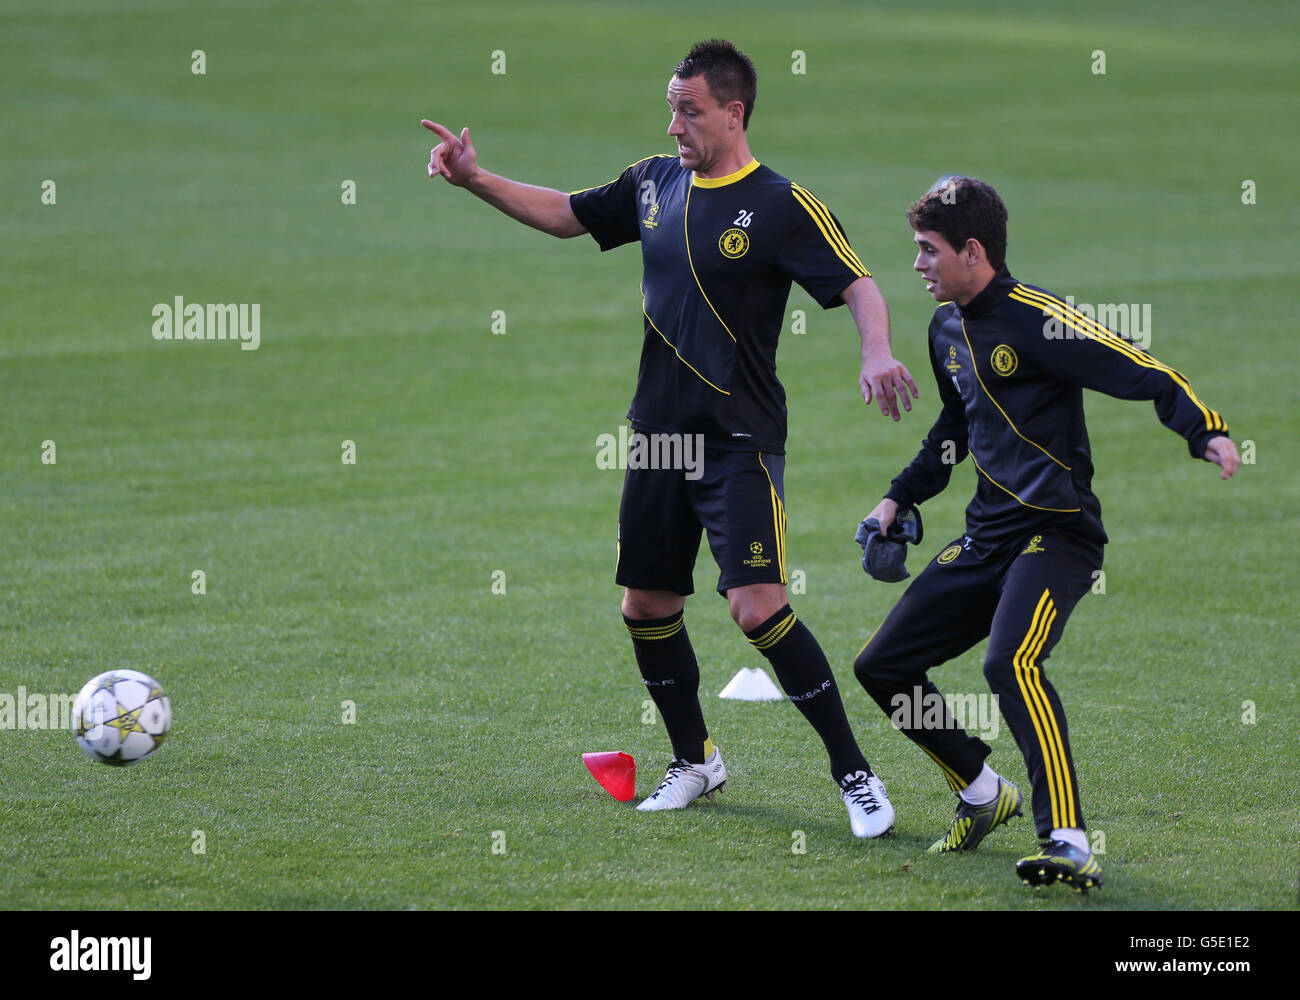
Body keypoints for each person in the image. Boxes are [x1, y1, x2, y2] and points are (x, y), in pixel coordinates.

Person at [423, 39, 918, 837]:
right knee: (647, 603)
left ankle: (855, 775)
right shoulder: (652, 182)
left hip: (738, 441)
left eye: (689, 111)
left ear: (734, 111)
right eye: (670, 109)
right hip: (657, 437)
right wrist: (475, 177)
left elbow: (856, 281)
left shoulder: (782, 203)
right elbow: (565, 215)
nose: (676, 124)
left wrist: (877, 350)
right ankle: (695, 760)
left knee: (757, 607)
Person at [853, 175, 1239, 888]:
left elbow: (1141, 367)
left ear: (973, 251)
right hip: (987, 538)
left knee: (1010, 663)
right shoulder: (945, 329)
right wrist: (897, 498)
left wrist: (1204, 430)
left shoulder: (1039, 320)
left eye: (928, 250)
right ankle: (980, 792)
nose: (917, 265)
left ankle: (1067, 839)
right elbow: (955, 428)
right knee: (882, 666)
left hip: (1057, 536)